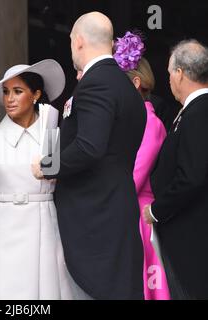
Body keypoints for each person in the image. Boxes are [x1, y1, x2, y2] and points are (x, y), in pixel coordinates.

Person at [32, 12, 146, 299]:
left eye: (71, 42)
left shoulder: (97, 83)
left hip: (97, 219)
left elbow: (89, 146)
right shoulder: (126, 86)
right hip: (115, 210)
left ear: (79, 41)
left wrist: (47, 165)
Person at [0, 59, 77, 300]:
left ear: (36, 95)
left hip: (44, 228)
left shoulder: (52, 136)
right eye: (5, 92)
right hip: (0, 230)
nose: (9, 98)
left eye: (18, 91)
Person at [143, 39, 208, 299]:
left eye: (170, 73)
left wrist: (156, 211)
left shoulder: (200, 112)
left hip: (191, 236)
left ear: (179, 73)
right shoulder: (192, 110)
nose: (169, 80)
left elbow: (192, 176)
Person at [114, 31, 170, 300]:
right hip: (126, 207)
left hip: (138, 212)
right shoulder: (133, 120)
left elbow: (135, 175)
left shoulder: (150, 122)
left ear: (136, 83)